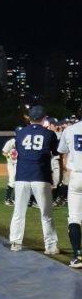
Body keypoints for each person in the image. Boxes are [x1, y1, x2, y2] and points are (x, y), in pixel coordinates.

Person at [9, 105, 59, 254]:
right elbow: (55, 152)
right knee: (46, 214)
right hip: (40, 176)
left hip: (22, 177)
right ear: (44, 119)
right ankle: (50, 247)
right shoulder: (49, 134)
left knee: (18, 212)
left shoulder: (21, 133)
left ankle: (16, 243)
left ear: (29, 118)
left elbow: (20, 150)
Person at [58, 111, 82, 267]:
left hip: (77, 176)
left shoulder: (70, 129)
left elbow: (61, 152)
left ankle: (77, 257)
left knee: (74, 217)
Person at [1, 126, 21, 205]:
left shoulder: (23, 142)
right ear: (15, 133)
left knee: (18, 182)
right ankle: (7, 200)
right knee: (12, 181)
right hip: (12, 164)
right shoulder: (10, 142)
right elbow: (3, 152)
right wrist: (9, 156)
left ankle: (16, 199)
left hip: (20, 164)